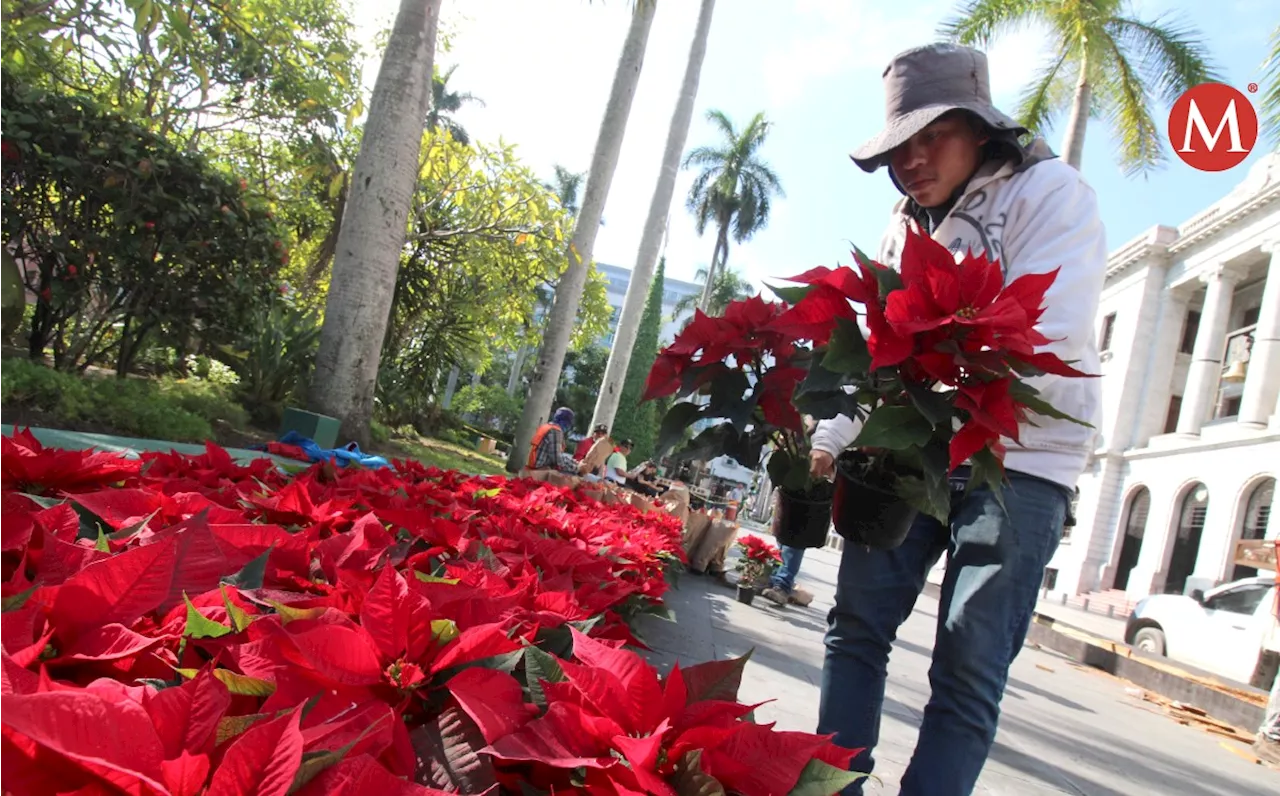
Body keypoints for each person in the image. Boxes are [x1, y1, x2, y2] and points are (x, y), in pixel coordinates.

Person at [812, 44, 1106, 796]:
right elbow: (877, 352)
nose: (910, 159)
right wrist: (830, 440)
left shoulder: (1050, 192)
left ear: (978, 127)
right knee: (857, 621)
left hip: (1024, 460)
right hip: (913, 447)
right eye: (897, 146)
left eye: (930, 136)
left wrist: (941, 353)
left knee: (970, 663)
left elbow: (1055, 330)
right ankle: (832, 787)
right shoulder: (900, 224)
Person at [526, 407, 579, 474]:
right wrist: (577, 468)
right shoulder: (555, 431)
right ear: (566, 422)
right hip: (539, 469)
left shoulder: (547, 426)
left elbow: (558, 454)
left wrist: (575, 462)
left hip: (533, 464)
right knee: (574, 476)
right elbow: (557, 460)